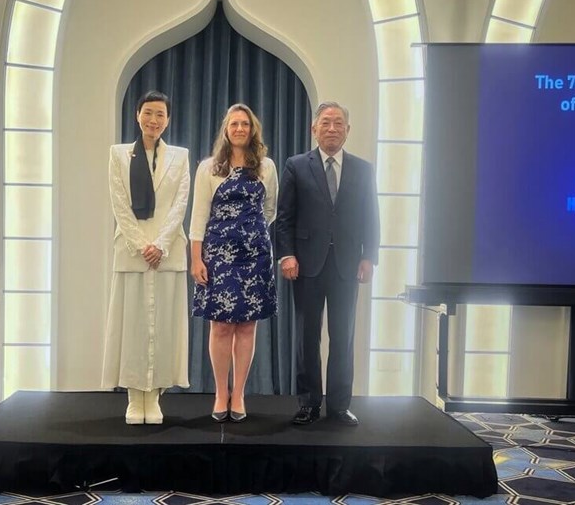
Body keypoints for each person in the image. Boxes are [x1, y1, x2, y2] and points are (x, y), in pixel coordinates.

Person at [276, 101, 379, 426]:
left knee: (342, 336)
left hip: (347, 264)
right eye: (326, 122)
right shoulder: (295, 165)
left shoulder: (363, 169)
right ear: (314, 128)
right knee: (307, 337)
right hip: (306, 264)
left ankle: (338, 406)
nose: (332, 128)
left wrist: (369, 256)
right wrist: (287, 254)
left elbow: (371, 216)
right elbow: (284, 217)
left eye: (338, 123)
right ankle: (308, 404)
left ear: (348, 130)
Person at [101, 90, 190, 424]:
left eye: (161, 115)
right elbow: (119, 204)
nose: (154, 120)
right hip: (131, 251)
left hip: (167, 253)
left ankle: (154, 397)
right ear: (138, 115)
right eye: (148, 113)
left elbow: (180, 204)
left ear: (168, 120)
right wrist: (142, 245)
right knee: (132, 325)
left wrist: (161, 245)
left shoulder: (180, 157)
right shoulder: (119, 155)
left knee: (163, 325)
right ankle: (133, 398)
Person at [190, 103, 278, 423]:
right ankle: (219, 393)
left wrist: (250, 234)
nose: (239, 128)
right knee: (221, 325)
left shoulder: (266, 166)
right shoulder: (209, 168)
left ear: (253, 129)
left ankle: (238, 392)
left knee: (247, 325)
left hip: (254, 254)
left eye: (245, 123)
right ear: (226, 130)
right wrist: (196, 258)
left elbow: (270, 211)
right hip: (217, 255)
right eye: (234, 124)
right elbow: (199, 216)